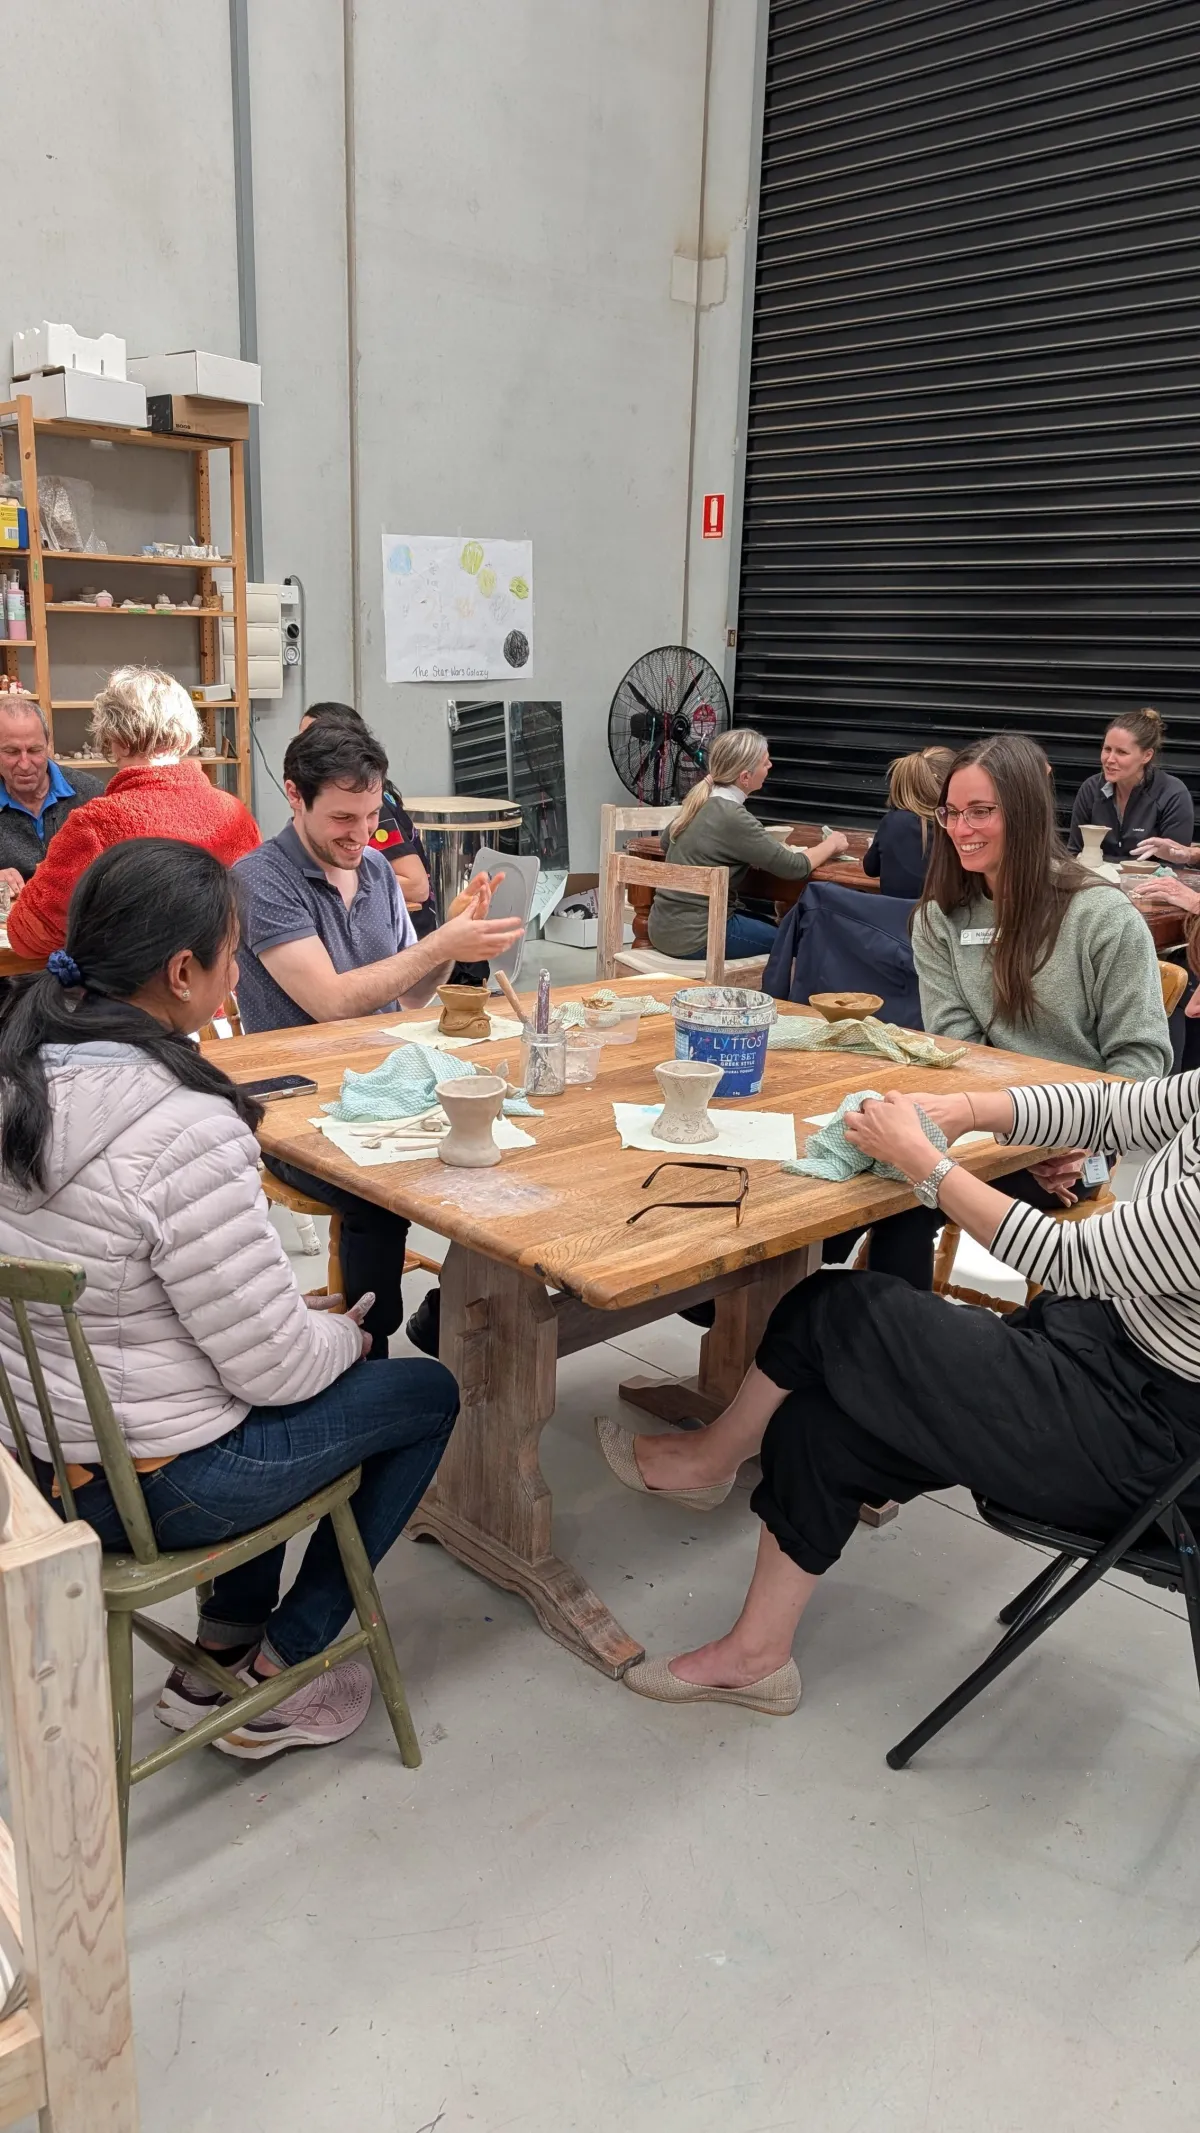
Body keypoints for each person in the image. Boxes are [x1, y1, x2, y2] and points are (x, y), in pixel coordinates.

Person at [0, 839, 458, 1758]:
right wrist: (346, 1338)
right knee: (423, 1392)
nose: (236, 975)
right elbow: (274, 1367)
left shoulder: (25, 1071)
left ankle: (223, 1637)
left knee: (248, 1380)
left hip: (44, 1463)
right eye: (231, 954)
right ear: (181, 971)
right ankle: (282, 1667)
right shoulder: (181, 1122)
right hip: (159, 1485)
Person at [599, 1040, 1200, 1717]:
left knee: (836, 1310)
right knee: (822, 1416)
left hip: (1149, 1443)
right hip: (1101, 1352)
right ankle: (758, 1655)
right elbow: (1116, 1105)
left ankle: (711, 1457)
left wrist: (926, 1161)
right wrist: (965, 1108)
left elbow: (1071, 1255)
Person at [822, 732, 1171, 1289]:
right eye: (952, 813)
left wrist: (1067, 1138)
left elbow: (1143, 1064)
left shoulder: (1101, 916)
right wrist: (1003, 1133)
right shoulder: (941, 918)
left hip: (1078, 1145)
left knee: (903, 1206)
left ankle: (887, 1359)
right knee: (843, 1178)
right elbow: (956, 1044)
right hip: (978, 1122)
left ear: (1027, 813)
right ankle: (785, 1329)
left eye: (981, 812)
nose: (962, 830)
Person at [233, 719, 525, 1360]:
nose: (362, 835)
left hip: (383, 1081)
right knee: (380, 1196)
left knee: (502, 1160)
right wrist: (438, 944)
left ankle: (455, 1312)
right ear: (293, 795)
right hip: (295, 1107)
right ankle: (370, 1347)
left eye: (372, 816)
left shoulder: (374, 872)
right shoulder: (259, 880)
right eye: (343, 817)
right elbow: (333, 1003)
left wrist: (446, 942)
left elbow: (412, 998)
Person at [6, 666, 260, 959]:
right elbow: (255, 912)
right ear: (187, 735)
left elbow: (29, 935)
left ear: (116, 740)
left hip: (133, 996)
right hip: (223, 994)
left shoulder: (96, 825)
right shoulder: (234, 815)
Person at [647, 729, 849, 962]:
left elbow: (666, 841)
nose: (770, 765)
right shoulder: (732, 816)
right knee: (798, 941)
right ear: (744, 777)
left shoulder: (700, 801)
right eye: (765, 762)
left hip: (664, 929)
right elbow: (794, 867)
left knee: (778, 929)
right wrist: (832, 844)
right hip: (699, 936)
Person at [299, 701, 437, 937]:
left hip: (406, 939)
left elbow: (417, 887)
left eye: (312, 740)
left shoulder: (371, 808)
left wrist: (342, 886)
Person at [0, 693, 101, 896]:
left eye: (35, 750)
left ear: (49, 745)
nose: (25, 764)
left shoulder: (91, 794)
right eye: (11, 752)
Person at [1067, 706, 1193, 863]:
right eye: (1107, 749)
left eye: (1121, 752)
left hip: (1150, 883)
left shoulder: (1172, 793)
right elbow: (1074, 851)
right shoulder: (1091, 789)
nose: (1110, 759)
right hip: (1098, 881)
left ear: (1146, 756)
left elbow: (1174, 863)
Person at [861, 746, 955, 900]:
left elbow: (870, 868)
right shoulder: (954, 825)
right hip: (942, 920)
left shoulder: (892, 821)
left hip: (895, 918)